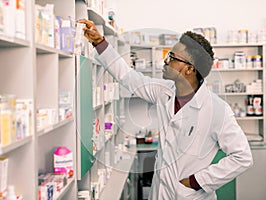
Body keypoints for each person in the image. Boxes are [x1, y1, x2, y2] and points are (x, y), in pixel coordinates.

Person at [78, 19, 253, 200]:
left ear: (189, 69)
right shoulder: (163, 91)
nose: (166, 61)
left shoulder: (217, 110)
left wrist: (195, 181)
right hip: (161, 192)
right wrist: (99, 42)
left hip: (190, 195)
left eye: (172, 58)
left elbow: (242, 157)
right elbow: (128, 77)